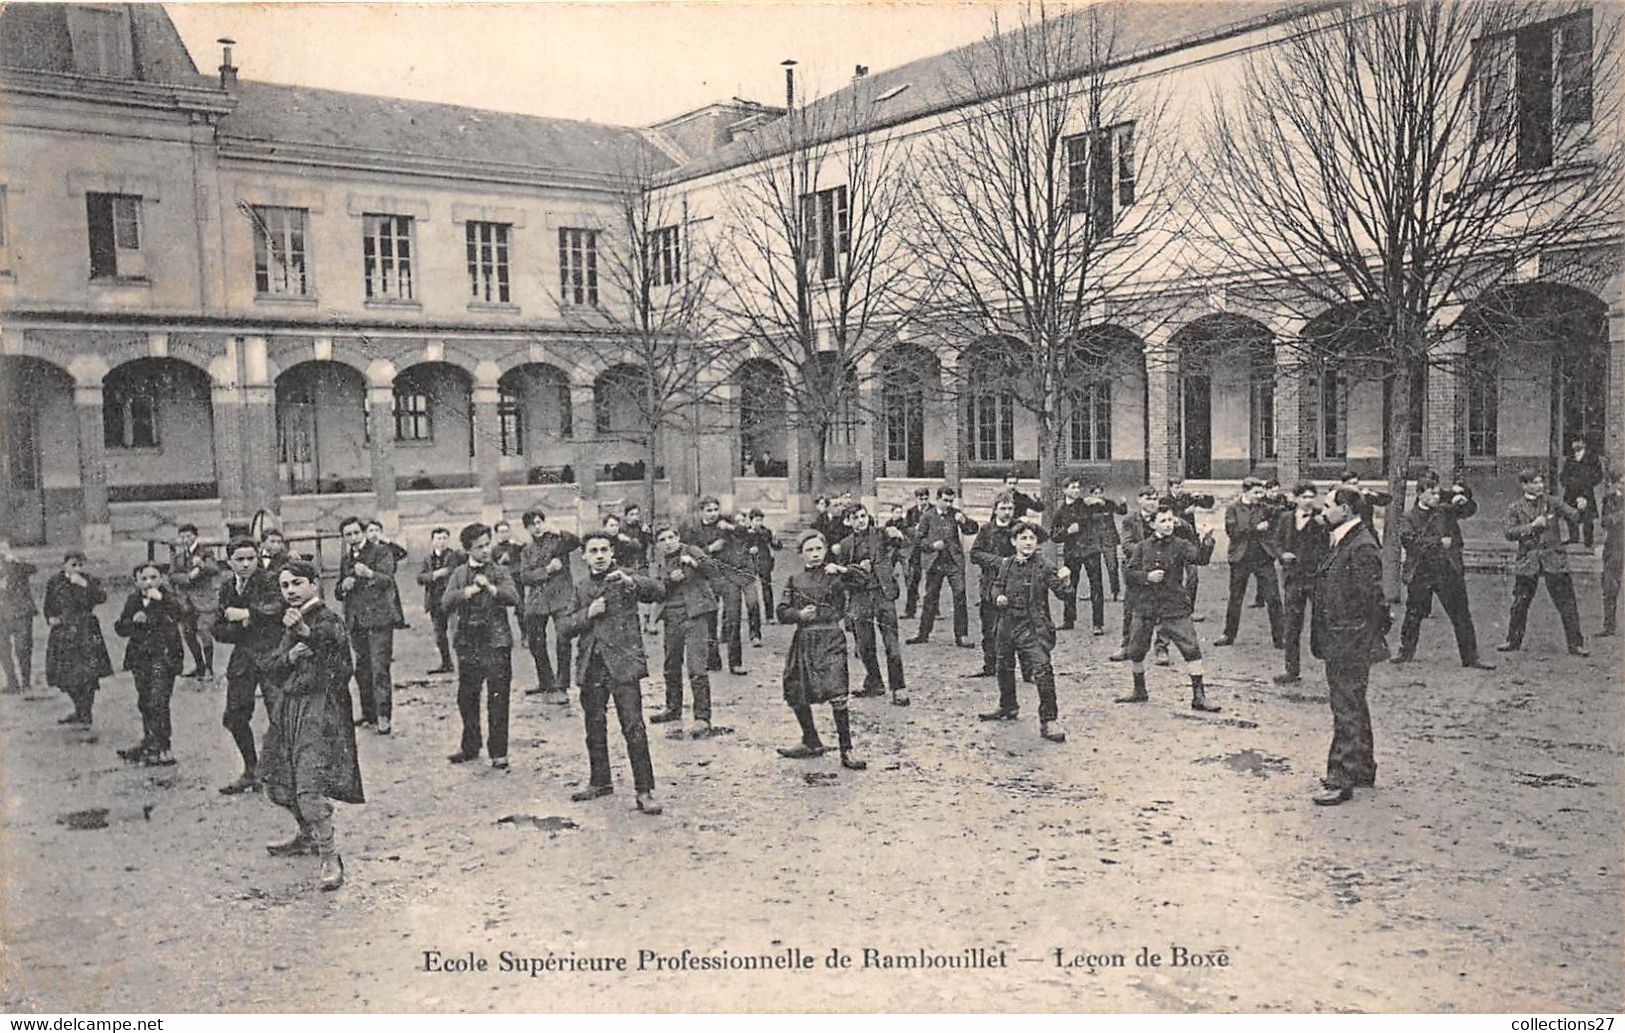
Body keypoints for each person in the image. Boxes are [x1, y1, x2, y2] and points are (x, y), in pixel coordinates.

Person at [260, 559, 363, 891]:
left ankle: (330, 857)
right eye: (285, 586)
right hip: (289, 708)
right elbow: (272, 665)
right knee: (277, 780)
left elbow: (339, 658)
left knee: (309, 785)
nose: (290, 591)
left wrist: (307, 635)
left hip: (320, 710)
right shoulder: (291, 621)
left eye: (297, 584)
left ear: (314, 584)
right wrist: (289, 657)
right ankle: (306, 834)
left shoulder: (328, 620)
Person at [559, 531, 666, 815]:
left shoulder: (625, 579)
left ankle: (644, 790)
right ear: (584, 556)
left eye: (604, 550)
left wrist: (631, 581)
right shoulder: (581, 588)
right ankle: (600, 780)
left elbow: (658, 590)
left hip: (623, 666)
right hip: (592, 667)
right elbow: (564, 627)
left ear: (612, 553)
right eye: (593, 550)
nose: (599, 555)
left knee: (634, 728)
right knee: (594, 726)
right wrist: (588, 614)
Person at [1309, 487, 1390, 806]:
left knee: (1345, 707)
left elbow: (1371, 600)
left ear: (1345, 509)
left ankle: (1340, 778)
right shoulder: (1346, 539)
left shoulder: (1361, 545)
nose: (1323, 511)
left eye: (1328, 506)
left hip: (1349, 640)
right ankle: (1362, 768)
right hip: (1343, 638)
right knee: (1355, 703)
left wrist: (1355, 636)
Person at [775, 531, 869, 771]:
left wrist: (843, 570)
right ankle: (811, 740)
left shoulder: (835, 575)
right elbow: (782, 611)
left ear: (825, 550)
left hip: (831, 638)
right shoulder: (794, 579)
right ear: (801, 554)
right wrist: (798, 615)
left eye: (819, 549)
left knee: (837, 691)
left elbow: (864, 580)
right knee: (794, 687)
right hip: (804, 640)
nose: (815, 554)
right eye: (809, 550)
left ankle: (846, 749)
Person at [1116, 507, 1221, 712]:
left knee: (1191, 647)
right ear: (1153, 524)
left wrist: (1207, 540)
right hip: (1146, 604)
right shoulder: (1142, 547)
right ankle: (1139, 690)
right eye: (1163, 520)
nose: (1168, 524)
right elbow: (1129, 574)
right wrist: (1146, 577)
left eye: (1171, 520)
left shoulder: (1181, 545)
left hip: (1173, 604)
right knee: (1136, 649)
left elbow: (1200, 559)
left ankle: (1199, 697)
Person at [1394, 472, 1494, 669]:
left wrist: (1464, 497)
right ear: (1420, 494)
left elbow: (1468, 510)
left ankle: (1471, 658)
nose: (1437, 497)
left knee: (1461, 614)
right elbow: (1411, 542)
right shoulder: (1408, 517)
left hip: (1447, 570)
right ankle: (1405, 652)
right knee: (1413, 614)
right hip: (1421, 571)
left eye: (1438, 494)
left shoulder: (1444, 511)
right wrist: (1439, 543)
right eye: (1432, 494)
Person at [982, 521, 1072, 740]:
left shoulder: (1043, 564)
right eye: (1023, 538)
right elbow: (996, 586)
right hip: (1007, 624)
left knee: (1042, 669)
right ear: (1014, 542)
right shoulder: (1007, 564)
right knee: (1004, 665)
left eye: (1032, 538)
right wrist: (998, 597)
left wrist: (1066, 580)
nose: (1028, 542)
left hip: (1032, 627)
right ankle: (1008, 706)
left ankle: (1049, 720)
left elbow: (1062, 594)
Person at [442, 523, 521, 770]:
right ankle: (470, 746)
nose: (486, 550)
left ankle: (498, 752)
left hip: (496, 642)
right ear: (468, 550)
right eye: (480, 547)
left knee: (498, 697)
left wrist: (491, 588)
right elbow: (445, 602)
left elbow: (514, 598)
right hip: (468, 643)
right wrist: (468, 591)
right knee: (467, 697)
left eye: (488, 544)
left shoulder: (499, 570)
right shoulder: (458, 574)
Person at [212, 537, 284, 794]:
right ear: (229, 562)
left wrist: (248, 615)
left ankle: (280, 771)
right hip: (243, 658)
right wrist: (240, 626)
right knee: (234, 715)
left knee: (281, 714)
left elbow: (277, 609)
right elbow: (218, 630)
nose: (245, 564)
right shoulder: (228, 587)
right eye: (239, 560)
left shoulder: (271, 580)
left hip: (272, 655)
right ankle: (251, 769)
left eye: (250, 559)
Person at [1499, 469, 1588, 656]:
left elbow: (1574, 516)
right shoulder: (1515, 507)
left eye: (1541, 482)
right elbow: (1508, 532)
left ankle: (1576, 644)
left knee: (1567, 603)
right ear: (1524, 485)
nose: (1540, 486)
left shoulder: (1552, 502)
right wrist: (1531, 526)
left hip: (1554, 559)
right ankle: (1512, 641)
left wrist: (1581, 507)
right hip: (1528, 561)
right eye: (1535, 482)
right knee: (1520, 604)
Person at [832, 505, 909, 706]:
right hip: (860, 598)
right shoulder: (845, 545)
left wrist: (898, 534)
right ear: (848, 521)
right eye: (855, 518)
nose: (860, 520)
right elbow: (842, 577)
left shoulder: (881, 534)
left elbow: (901, 542)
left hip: (883, 595)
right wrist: (856, 570)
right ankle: (874, 682)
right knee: (865, 646)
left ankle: (898, 688)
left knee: (892, 645)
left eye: (863, 516)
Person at [648, 525, 718, 738]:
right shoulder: (659, 563)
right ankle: (673, 708)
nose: (668, 541)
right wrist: (670, 581)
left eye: (671, 536)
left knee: (696, 667)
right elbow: (655, 590)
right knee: (671, 664)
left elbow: (714, 570)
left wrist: (695, 563)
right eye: (663, 539)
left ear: (678, 537)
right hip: (671, 617)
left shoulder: (691, 551)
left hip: (695, 616)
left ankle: (702, 717)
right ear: (658, 544)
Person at [113, 561, 185, 767]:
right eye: (143, 579)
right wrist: (133, 621)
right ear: (136, 582)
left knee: (158, 700)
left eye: (153, 578)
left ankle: (164, 746)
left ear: (161, 580)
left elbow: (181, 614)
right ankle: (150, 741)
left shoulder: (169, 598)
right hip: (140, 657)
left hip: (164, 656)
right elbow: (120, 627)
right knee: (145, 700)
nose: (149, 582)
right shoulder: (133, 599)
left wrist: (161, 600)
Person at [336, 515, 399, 734]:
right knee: (362, 669)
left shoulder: (381, 551)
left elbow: (388, 580)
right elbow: (337, 591)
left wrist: (370, 573)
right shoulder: (346, 559)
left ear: (363, 532)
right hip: (356, 620)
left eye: (356, 533)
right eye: (347, 535)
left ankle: (383, 716)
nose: (352, 538)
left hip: (378, 619)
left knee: (380, 668)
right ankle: (368, 713)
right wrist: (343, 586)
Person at [43, 552, 112, 728]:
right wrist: (50, 617)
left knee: (88, 675)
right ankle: (79, 709)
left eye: (80, 565)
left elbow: (101, 598)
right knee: (64, 675)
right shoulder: (55, 581)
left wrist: (85, 586)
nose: (77, 569)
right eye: (73, 565)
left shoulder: (88, 580)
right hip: (63, 631)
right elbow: (48, 604)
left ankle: (85, 713)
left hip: (85, 630)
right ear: (64, 565)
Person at [519, 508, 580, 703]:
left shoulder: (558, 541)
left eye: (538, 522)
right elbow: (524, 577)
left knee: (563, 639)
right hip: (538, 601)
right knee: (536, 641)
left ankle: (562, 685)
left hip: (561, 597)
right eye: (531, 525)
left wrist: (558, 531)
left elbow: (576, 542)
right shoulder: (526, 550)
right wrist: (547, 570)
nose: (536, 527)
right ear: (526, 529)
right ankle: (546, 681)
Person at [1215, 477, 1284, 648]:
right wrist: (1256, 529)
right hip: (1241, 559)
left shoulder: (1264, 507)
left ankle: (1280, 637)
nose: (1260, 495)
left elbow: (1280, 515)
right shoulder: (1233, 509)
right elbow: (1234, 533)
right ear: (1245, 492)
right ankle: (1228, 634)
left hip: (1263, 558)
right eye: (1256, 492)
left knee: (1274, 598)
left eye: (1261, 492)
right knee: (1235, 598)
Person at [907, 486, 979, 648]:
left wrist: (964, 521)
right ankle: (923, 633)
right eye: (945, 500)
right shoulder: (927, 516)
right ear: (938, 499)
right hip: (935, 562)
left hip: (954, 562)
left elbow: (972, 530)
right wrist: (932, 546)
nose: (948, 504)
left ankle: (961, 635)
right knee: (930, 597)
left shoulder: (956, 514)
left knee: (960, 595)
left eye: (950, 501)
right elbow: (918, 540)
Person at [1050, 478, 1125, 634]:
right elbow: (1054, 535)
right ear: (1065, 490)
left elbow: (1103, 506)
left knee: (1096, 587)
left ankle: (1098, 624)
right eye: (1073, 487)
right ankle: (1068, 620)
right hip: (1072, 554)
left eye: (1078, 487)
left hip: (1091, 551)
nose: (1077, 490)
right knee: (1070, 586)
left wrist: (1101, 502)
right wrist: (1066, 532)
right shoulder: (1060, 511)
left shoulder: (1086, 505)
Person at [1272, 482, 1329, 685]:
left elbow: (1329, 545)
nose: (1308, 501)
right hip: (1293, 579)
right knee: (1292, 625)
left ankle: (1331, 667)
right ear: (1295, 498)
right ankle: (1291, 670)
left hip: (1315, 578)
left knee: (1322, 622)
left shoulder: (1322, 519)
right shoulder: (1285, 518)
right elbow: (1276, 542)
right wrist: (1282, 555)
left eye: (1311, 497)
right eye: (1304, 497)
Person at [967, 494, 1020, 677]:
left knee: (1015, 628)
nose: (1007, 512)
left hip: (1013, 586)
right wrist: (998, 561)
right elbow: (975, 554)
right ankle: (989, 665)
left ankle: (1015, 668)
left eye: (1010, 508)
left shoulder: (1019, 529)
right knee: (989, 628)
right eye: (1003, 508)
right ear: (995, 510)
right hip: (989, 585)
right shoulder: (987, 530)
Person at [680, 496, 731, 672]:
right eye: (709, 510)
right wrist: (710, 549)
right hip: (704, 577)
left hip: (723, 575)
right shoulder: (693, 529)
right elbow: (692, 551)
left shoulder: (724, 527)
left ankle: (723, 656)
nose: (713, 514)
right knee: (710, 616)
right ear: (701, 511)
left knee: (727, 614)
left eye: (716, 510)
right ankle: (712, 658)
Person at [168, 523, 219, 678]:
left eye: (189, 536)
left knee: (204, 632)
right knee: (188, 634)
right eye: (182, 536)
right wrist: (188, 577)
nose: (186, 539)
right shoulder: (178, 557)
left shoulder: (206, 552)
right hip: (185, 602)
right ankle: (200, 666)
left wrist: (202, 565)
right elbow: (171, 576)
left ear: (195, 536)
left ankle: (210, 668)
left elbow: (215, 569)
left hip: (203, 600)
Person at [416, 527, 461, 675]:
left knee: (457, 632)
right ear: (432, 541)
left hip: (452, 600)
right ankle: (446, 663)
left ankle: (464, 663)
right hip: (434, 601)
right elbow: (420, 578)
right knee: (439, 634)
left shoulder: (455, 556)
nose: (441, 542)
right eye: (438, 538)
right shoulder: (428, 559)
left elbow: (456, 571)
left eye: (444, 538)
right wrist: (435, 574)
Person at [0, 549, 37, 693]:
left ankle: (26, 683)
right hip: (2, 616)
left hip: (21, 614)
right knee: (3, 649)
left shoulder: (17, 567)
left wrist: (16, 560)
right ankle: (12, 682)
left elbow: (32, 569)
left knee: (23, 649)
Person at [1560, 438, 1603, 548]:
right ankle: (1573, 537)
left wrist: (1586, 488)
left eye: (1576, 442)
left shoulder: (1592, 459)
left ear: (1583, 443)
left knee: (1588, 518)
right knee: (1570, 515)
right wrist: (1566, 482)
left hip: (1586, 492)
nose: (1573, 444)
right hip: (1571, 492)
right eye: (1572, 442)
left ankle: (1588, 541)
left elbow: (1598, 475)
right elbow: (1563, 475)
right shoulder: (1570, 459)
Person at [742, 508, 779, 633]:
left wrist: (774, 538)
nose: (759, 522)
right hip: (750, 563)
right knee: (750, 589)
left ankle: (770, 616)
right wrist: (748, 550)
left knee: (767, 589)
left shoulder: (766, 532)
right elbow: (740, 548)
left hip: (764, 562)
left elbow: (777, 546)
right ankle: (751, 614)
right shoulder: (745, 532)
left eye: (760, 520)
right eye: (756, 520)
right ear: (751, 520)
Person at [900, 486, 932, 618]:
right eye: (921, 499)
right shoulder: (911, 512)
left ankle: (933, 610)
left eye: (925, 498)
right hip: (916, 550)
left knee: (932, 581)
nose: (923, 501)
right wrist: (916, 529)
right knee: (913, 579)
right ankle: (910, 610)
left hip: (930, 550)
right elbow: (905, 528)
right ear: (916, 499)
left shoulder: (933, 510)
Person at [1601, 468, 1622, 636]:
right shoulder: (1610, 498)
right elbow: (1604, 521)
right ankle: (1609, 625)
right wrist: (1619, 516)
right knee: (1610, 585)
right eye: (1621, 482)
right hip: (1615, 543)